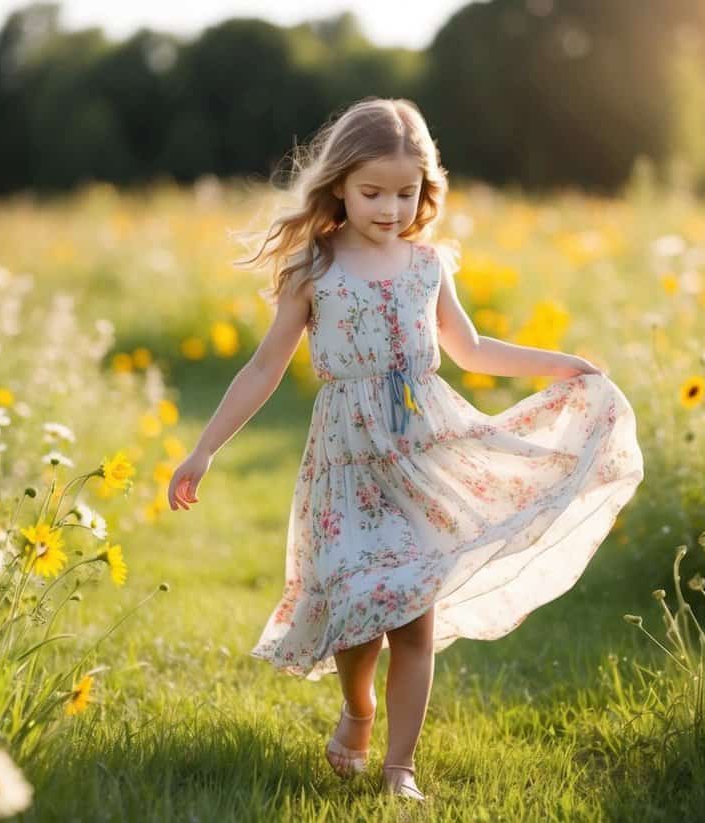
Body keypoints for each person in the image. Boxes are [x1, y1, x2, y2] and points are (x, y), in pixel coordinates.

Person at [166, 97, 644, 801]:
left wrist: (563, 364)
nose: (390, 207)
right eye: (372, 192)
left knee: (412, 614)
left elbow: (472, 349)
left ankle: (400, 769)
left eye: (405, 191)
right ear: (339, 187)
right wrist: (204, 448)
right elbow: (264, 367)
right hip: (347, 461)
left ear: (427, 189)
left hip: (424, 452)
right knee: (358, 614)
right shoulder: (315, 269)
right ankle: (357, 705)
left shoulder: (427, 266)